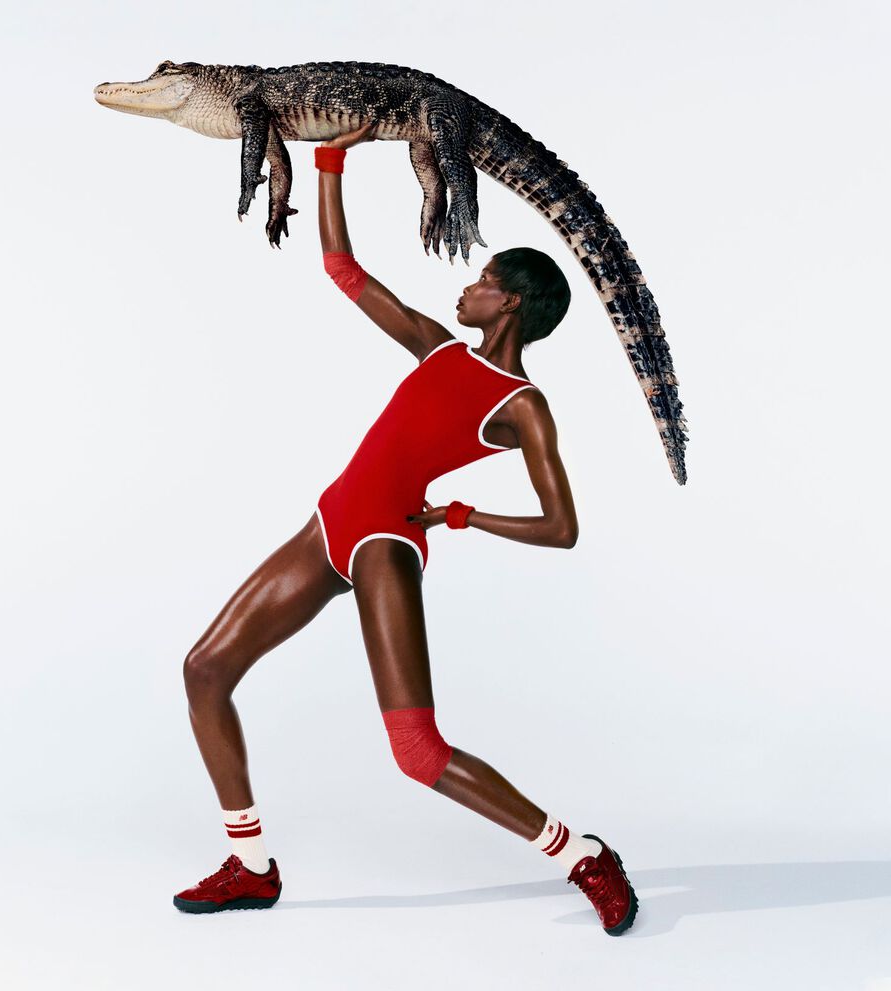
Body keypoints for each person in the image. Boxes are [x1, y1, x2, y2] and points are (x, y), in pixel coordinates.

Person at [173, 121, 638, 936]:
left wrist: (461, 514)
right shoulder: (434, 349)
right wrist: (329, 159)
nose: (468, 283)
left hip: (386, 541)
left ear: (512, 302)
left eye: (484, 277)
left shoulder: (520, 406)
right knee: (205, 668)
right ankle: (250, 865)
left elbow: (562, 526)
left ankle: (580, 855)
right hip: (331, 518)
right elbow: (340, 267)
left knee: (418, 753)